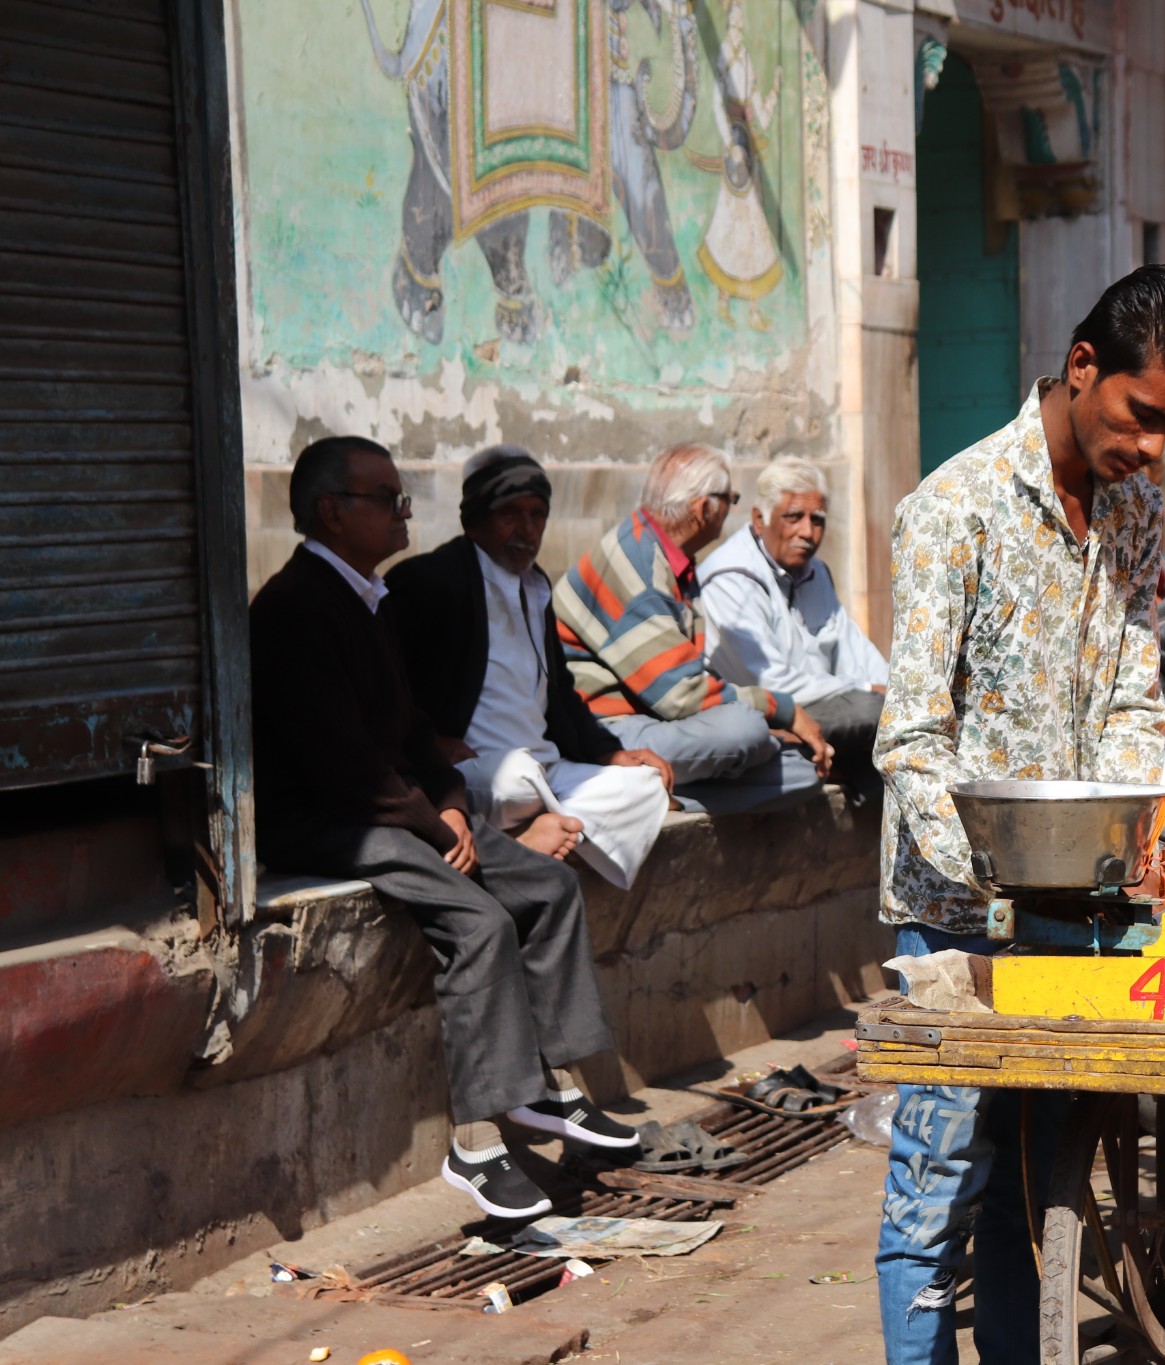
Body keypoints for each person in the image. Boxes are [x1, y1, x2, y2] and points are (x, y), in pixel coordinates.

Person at [874, 264, 1165, 1365]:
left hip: (1073, 917)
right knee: (935, 1188)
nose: (1155, 447)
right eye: (1142, 416)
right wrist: (998, 873)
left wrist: (1132, 843)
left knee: (1036, 1192)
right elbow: (911, 743)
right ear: (1083, 369)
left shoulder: (1132, 505)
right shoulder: (952, 509)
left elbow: (1132, 690)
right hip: (954, 917)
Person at [250, 436, 640, 1223]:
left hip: (396, 805)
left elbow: (412, 727)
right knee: (478, 919)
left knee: (548, 883)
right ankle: (475, 1138)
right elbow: (342, 764)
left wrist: (452, 800)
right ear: (333, 511)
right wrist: (432, 822)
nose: (404, 512)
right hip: (327, 821)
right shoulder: (293, 608)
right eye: (387, 498)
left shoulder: (368, 599)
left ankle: (552, 1085)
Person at [383, 445, 674, 889]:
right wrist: (432, 742)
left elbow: (560, 691)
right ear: (475, 518)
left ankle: (542, 832)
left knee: (646, 781)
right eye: (510, 514)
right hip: (482, 772)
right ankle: (526, 838)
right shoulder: (428, 582)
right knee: (518, 781)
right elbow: (390, 687)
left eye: (538, 514)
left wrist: (607, 752)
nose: (527, 529)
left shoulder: (535, 586)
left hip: (545, 767)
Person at [554, 444, 831, 815]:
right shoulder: (638, 565)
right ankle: (644, 794)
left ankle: (664, 797)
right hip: (609, 730)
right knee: (745, 732)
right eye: (729, 500)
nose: (807, 532)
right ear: (705, 508)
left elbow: (687, 674)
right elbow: (681, 696)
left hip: (659, 722)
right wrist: (781, 710)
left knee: (803, 771)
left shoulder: (672, 560)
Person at [700, 455, 891, 798]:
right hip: (767, 711)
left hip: (827, 704)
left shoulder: (816, 571)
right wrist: (864, 687)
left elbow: (852, 648)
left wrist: (893, 689)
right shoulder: (730, 577)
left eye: (817, 520)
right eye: (793, 517)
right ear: (760, 520)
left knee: (900, 708)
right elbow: (768, 683)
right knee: (875, 711)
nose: (807, 531)